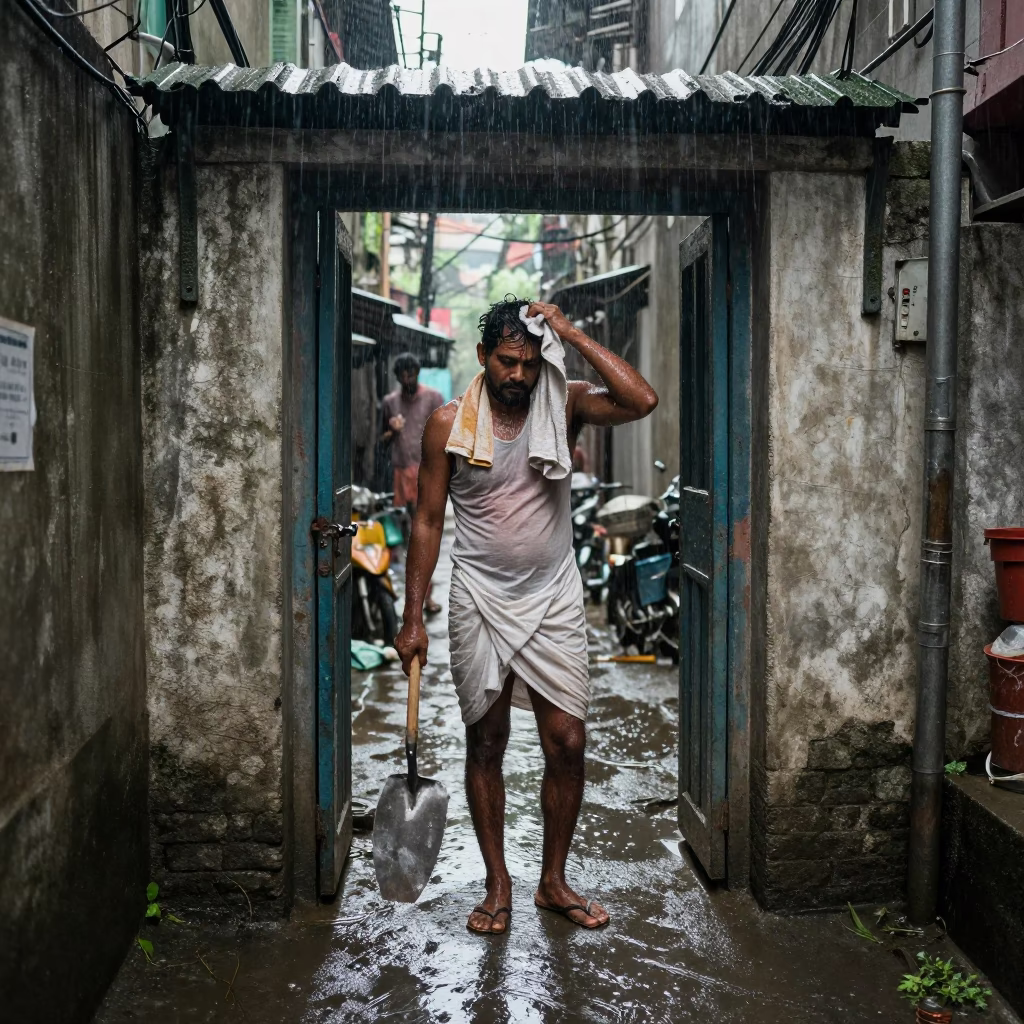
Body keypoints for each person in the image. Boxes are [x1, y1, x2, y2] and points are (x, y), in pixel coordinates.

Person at [394, 296, 658, 935]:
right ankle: (498, 884)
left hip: (554, 594)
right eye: (507, 361)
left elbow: (640, 400)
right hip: (478, 596)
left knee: (567, 742)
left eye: (531, 362)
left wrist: (568, 333)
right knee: (486, 742)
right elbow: (428, 521)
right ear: (483, 357)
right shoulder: (447, 425)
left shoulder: (562, 403)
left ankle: (552, 880)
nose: (518, 374)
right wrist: (412, 617)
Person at [381, 351, 444, 614]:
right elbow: (380, 442)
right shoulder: (390, 402)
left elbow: (445, 437)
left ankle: (425, 597)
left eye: (412, 373)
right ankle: (414, 599)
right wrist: (392, 432)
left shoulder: (433, 398)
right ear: (397, 376)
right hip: (400, 474)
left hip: (428, 472)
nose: (408, 378)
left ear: (418, 373)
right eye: (403, 374)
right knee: (410, 538)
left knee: (425, 534)